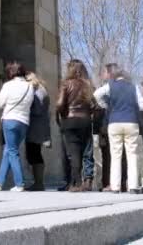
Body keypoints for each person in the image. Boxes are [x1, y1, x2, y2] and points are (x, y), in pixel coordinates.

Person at [94, 63, 143, 194]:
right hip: (131, 122)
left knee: (115, 155)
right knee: (132, 154)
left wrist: (106, 105)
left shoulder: (110, 86)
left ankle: (115, 187)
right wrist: (132, 108)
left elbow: (96, 94)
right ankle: (133, 186)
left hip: (114, 122)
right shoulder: (133, 87)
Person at [0, 62, 34, 192]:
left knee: (12, 152)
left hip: (10, 120)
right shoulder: (30, 87)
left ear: (11, 72)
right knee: (8, 151)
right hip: (24, 122)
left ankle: (19, 183)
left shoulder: (8, 85)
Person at [54, 59, 95, 192]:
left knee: (73, 152)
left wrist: (60, 114)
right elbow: (95, 106)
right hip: (85, 122)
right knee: (85, 152)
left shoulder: (66, 84)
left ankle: (76, 183)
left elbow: (60, 104)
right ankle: (83, 181)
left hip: (70, 121)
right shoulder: (88, 85)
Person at [24, 73, 52, 191]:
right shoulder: (41, 89)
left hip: (36, 126)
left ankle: (38, 183)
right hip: (38, 126)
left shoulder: (39, 91)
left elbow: (38, 109)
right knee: (34, 153)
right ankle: (38, 182)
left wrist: (27, 108)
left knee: (34, 153)